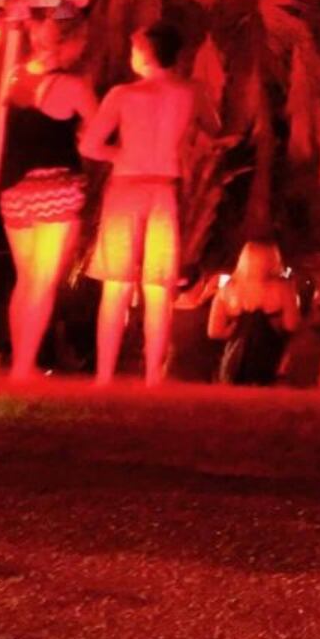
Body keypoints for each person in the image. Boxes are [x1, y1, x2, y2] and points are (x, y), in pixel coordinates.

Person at [81, 23, 198, 385]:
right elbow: (208, 131)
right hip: (164, 188)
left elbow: (89, 146)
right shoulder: (188, 94)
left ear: (145, 53)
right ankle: (152, 378)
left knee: (116, 283)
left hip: (127, 185)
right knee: (159, 287)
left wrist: (119, 152)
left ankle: (103, 376)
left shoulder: (123, 94)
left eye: (134, 48)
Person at [0, 12, 98, 377]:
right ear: (71, 42)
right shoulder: (72, 86)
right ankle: (24, 365)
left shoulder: (13, 75)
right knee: (44, 281)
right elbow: (97, 135)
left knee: (24, 280)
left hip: (13, 189)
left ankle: (17, 363)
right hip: (57, 187)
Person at [207, 238, 301, 386]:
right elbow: (291, 325)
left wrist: (235, 330)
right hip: (270, 361)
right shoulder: (283, 288)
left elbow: (213, 331)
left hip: (236, 364)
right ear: (274, 260)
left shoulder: (228, 289)